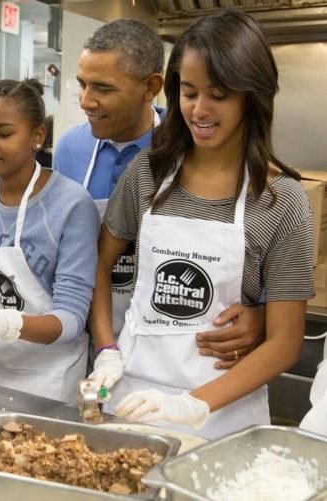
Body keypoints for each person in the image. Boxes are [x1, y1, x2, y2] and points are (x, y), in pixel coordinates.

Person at [87, 9, 314, 439]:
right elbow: (98, 266)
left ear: (253, 96)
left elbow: (285, 343)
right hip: (132, 400)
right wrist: (106, 349)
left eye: (219, 95)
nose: (200, 110)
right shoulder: (148, 174)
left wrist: (192, 404)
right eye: (188, 93)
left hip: (223, 417)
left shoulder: (281, 200)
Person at [53, 18, 264, 371]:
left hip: (181, 351)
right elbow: (63, 246)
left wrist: (263, 315)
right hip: (82, 344)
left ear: (151, 87)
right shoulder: (69, 149)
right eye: (82, 85)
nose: (87, 101)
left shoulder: (194, 147)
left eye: (102, 88)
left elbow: (257, 257)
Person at [0, 78, 100, 404]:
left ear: (37, 136)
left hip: (51, 376)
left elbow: (71, 319)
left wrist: (6, 321)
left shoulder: (71, 205)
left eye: (4, 133)